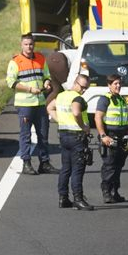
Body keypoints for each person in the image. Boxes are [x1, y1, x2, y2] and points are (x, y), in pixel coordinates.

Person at [7, 33, 54, 175]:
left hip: (40, 103)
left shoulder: (40, 58)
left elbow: (47, 75)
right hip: (25, 105)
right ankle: (26, 163)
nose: (29, 47)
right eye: (26, 44)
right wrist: (29, 89)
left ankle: (44, 163)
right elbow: (11, 82)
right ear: (22, 45)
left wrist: (47, 82)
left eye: (31, 44)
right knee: (25, 135)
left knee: (43, 134)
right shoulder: (15, 62)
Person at [48, 69, 94, 210]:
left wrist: (60, 120)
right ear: (75, 83)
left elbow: (50, 107)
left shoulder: (61, 96)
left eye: (86, 88)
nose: (83, 90)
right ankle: (78, 199)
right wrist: (83, 127)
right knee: (77, 169)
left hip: (64, 135)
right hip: (77, 136)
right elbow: (76, 112)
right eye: (82, 87)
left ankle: (63, 198)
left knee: (65, 168)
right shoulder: (77, 98)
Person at [91, 72, 128, 203]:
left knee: (119, 165)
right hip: (110, 136)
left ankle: (115, 192)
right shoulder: (105, 99)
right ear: (109, 85)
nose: (118, 86)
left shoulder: (121, 99)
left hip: (122, 137)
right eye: (115, 83)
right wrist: (103, 135)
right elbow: (98, 117)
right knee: (109, 165)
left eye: (120, 83)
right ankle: (106, 192)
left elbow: (126, 114)